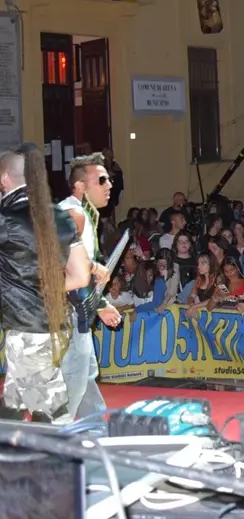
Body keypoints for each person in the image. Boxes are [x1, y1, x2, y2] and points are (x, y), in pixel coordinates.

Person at [0, 145, 92, 423]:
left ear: (4, 179)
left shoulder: (5, 219)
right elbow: (81, 276)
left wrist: (25, 288)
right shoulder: (62, 217)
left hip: (26, 331)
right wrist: (43, 288)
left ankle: (64, 450)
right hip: (53, 326)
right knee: (13, 403)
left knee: (53, 415)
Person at [58, 153, 123, 419]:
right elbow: (62, 265)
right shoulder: (74, 214)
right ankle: (55, 436)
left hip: (72, 308)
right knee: (74, 378)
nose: (109, 185)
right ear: (81, 186)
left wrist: (101, 304)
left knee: (83, 375)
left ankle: (94, 429)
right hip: (66, 311)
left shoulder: (81, 213)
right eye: (102, 180)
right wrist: (95, 268)